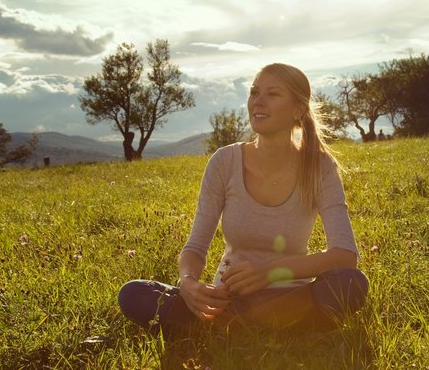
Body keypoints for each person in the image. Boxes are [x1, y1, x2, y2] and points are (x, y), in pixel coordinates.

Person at [118, 63, 368, 338]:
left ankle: (226, 329)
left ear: (298, 109)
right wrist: (188, 284)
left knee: (351, 283)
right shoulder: (224, 162)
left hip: (291, 295)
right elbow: (196, 247)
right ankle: (266, 327)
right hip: (227, 298)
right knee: (133, 293)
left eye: (273, 94)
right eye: (254, 92)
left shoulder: (319, 166)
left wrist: (271, 272)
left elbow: (345, 256)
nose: (258, 101)